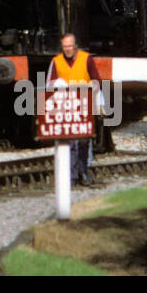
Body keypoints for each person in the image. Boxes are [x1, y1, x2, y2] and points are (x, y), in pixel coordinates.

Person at [47, 33, 103, 186]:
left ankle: (84, 172)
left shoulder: (86, 59)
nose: (68, 49)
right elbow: (49, 86)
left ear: (75, 46)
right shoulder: (56, 61)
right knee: (69, 143)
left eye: (70, 46)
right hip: (66, 108)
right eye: (65, 47)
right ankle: (71, 176)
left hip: (84, 107)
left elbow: (97, 81)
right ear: (62, 47)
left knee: (84, 141)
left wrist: (98, 100)